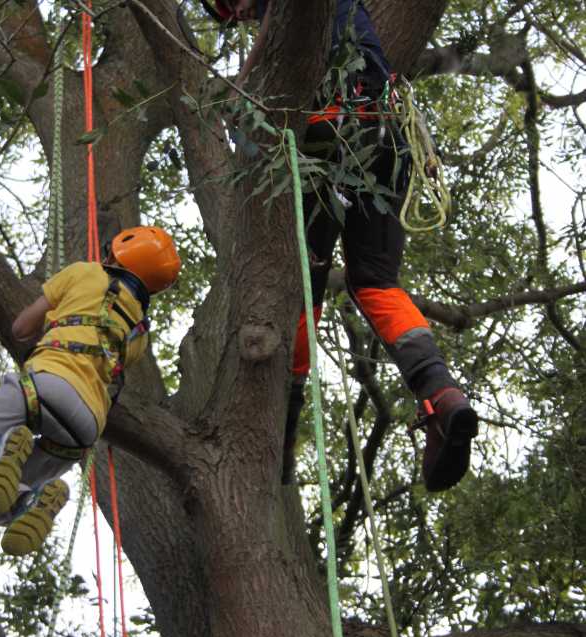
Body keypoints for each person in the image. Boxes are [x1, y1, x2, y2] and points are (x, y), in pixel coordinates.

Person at [202, 0, 478, 490]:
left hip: (329, 129)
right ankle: (442, 396)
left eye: (231, 6)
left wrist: (240, 87)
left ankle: (284, 418)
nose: (238, 15)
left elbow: (271, 32)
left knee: (300, 283)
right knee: (375, 282)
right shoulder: (350, 15)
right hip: (387, 133)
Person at [0, 227, 181, 555]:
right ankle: (29, 501)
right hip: (84, 427)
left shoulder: (84, 272)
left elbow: (20, 328)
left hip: (46, 385)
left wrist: (54, 323)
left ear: (114, 256)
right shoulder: (140, 334)